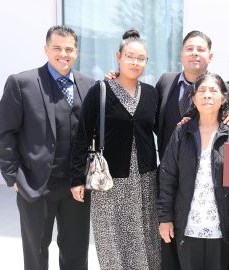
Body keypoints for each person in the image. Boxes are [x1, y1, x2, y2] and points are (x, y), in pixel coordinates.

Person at [0, 25, 93, 270]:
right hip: (35, 185)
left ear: (76, 52)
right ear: (46, 49)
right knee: (36, 253)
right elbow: (3, 134)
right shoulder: (22, 83)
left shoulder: (89, 85)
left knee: (76, 251)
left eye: (69, 49)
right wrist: (13, 176)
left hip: (76, 187)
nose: (63, 54)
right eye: (57, 48)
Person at [70, 29, 160, 269]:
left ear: (146, 62)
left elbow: (163, 130)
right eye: (130, 56)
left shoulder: (151, 94)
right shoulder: (99, 91)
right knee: (112, 240)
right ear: (118, 56)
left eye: (141, 58)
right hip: (109, 182)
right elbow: (82, 136)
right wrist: (76, 179)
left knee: (145, 239)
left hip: (145, 180)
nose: (135, 62)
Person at [153, 30, 229, 269]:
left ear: (224, 98)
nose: (208, 96)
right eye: (202, 92)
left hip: (221, 221)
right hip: (186, 218)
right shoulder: (182, 131)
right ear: (193, 97)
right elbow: (168, 175)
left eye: (214, 92)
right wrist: (165, 217)